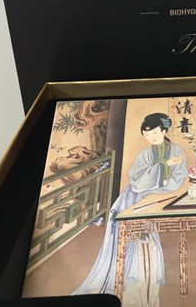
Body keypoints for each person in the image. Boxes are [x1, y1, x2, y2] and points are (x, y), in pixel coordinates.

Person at [73, 113, 187, 306]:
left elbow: (178, 177)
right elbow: (136, 181)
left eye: (155, 133)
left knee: (149, 241)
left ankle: (145, 286)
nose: (151, 137)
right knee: (135, 240)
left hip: (158, 197)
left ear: (164, 131)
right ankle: (129, 285)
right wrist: (163, 166)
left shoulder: (176, 151)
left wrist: (160, 186)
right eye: (147, 134)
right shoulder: (145, 154)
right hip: (133, 199)